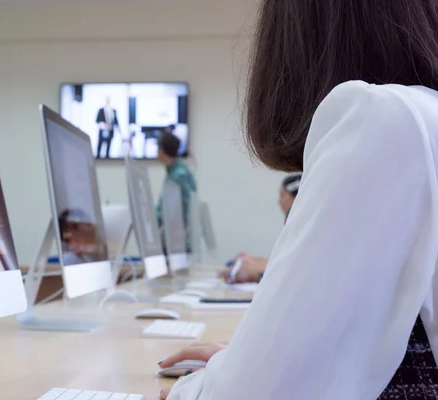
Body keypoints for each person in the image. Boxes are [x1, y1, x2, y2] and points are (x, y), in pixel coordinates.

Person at [161, 1, 438, 399]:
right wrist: (248, 361)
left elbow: (252, 396)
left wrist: (201, 386)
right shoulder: (425, 114)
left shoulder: (387, 117)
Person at [219, 174, 302, 283]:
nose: (279, 201)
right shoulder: (295, 223)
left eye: (282, 195)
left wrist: (256, 273)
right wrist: (252, 262)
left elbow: (295, 269)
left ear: (296, 196)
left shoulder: (302, 225)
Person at [155, 132, 196, 251]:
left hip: (176, 242)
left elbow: (166, 213)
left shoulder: (176, 177)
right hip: (182, 240)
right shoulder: (183, 172)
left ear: (161, 151)